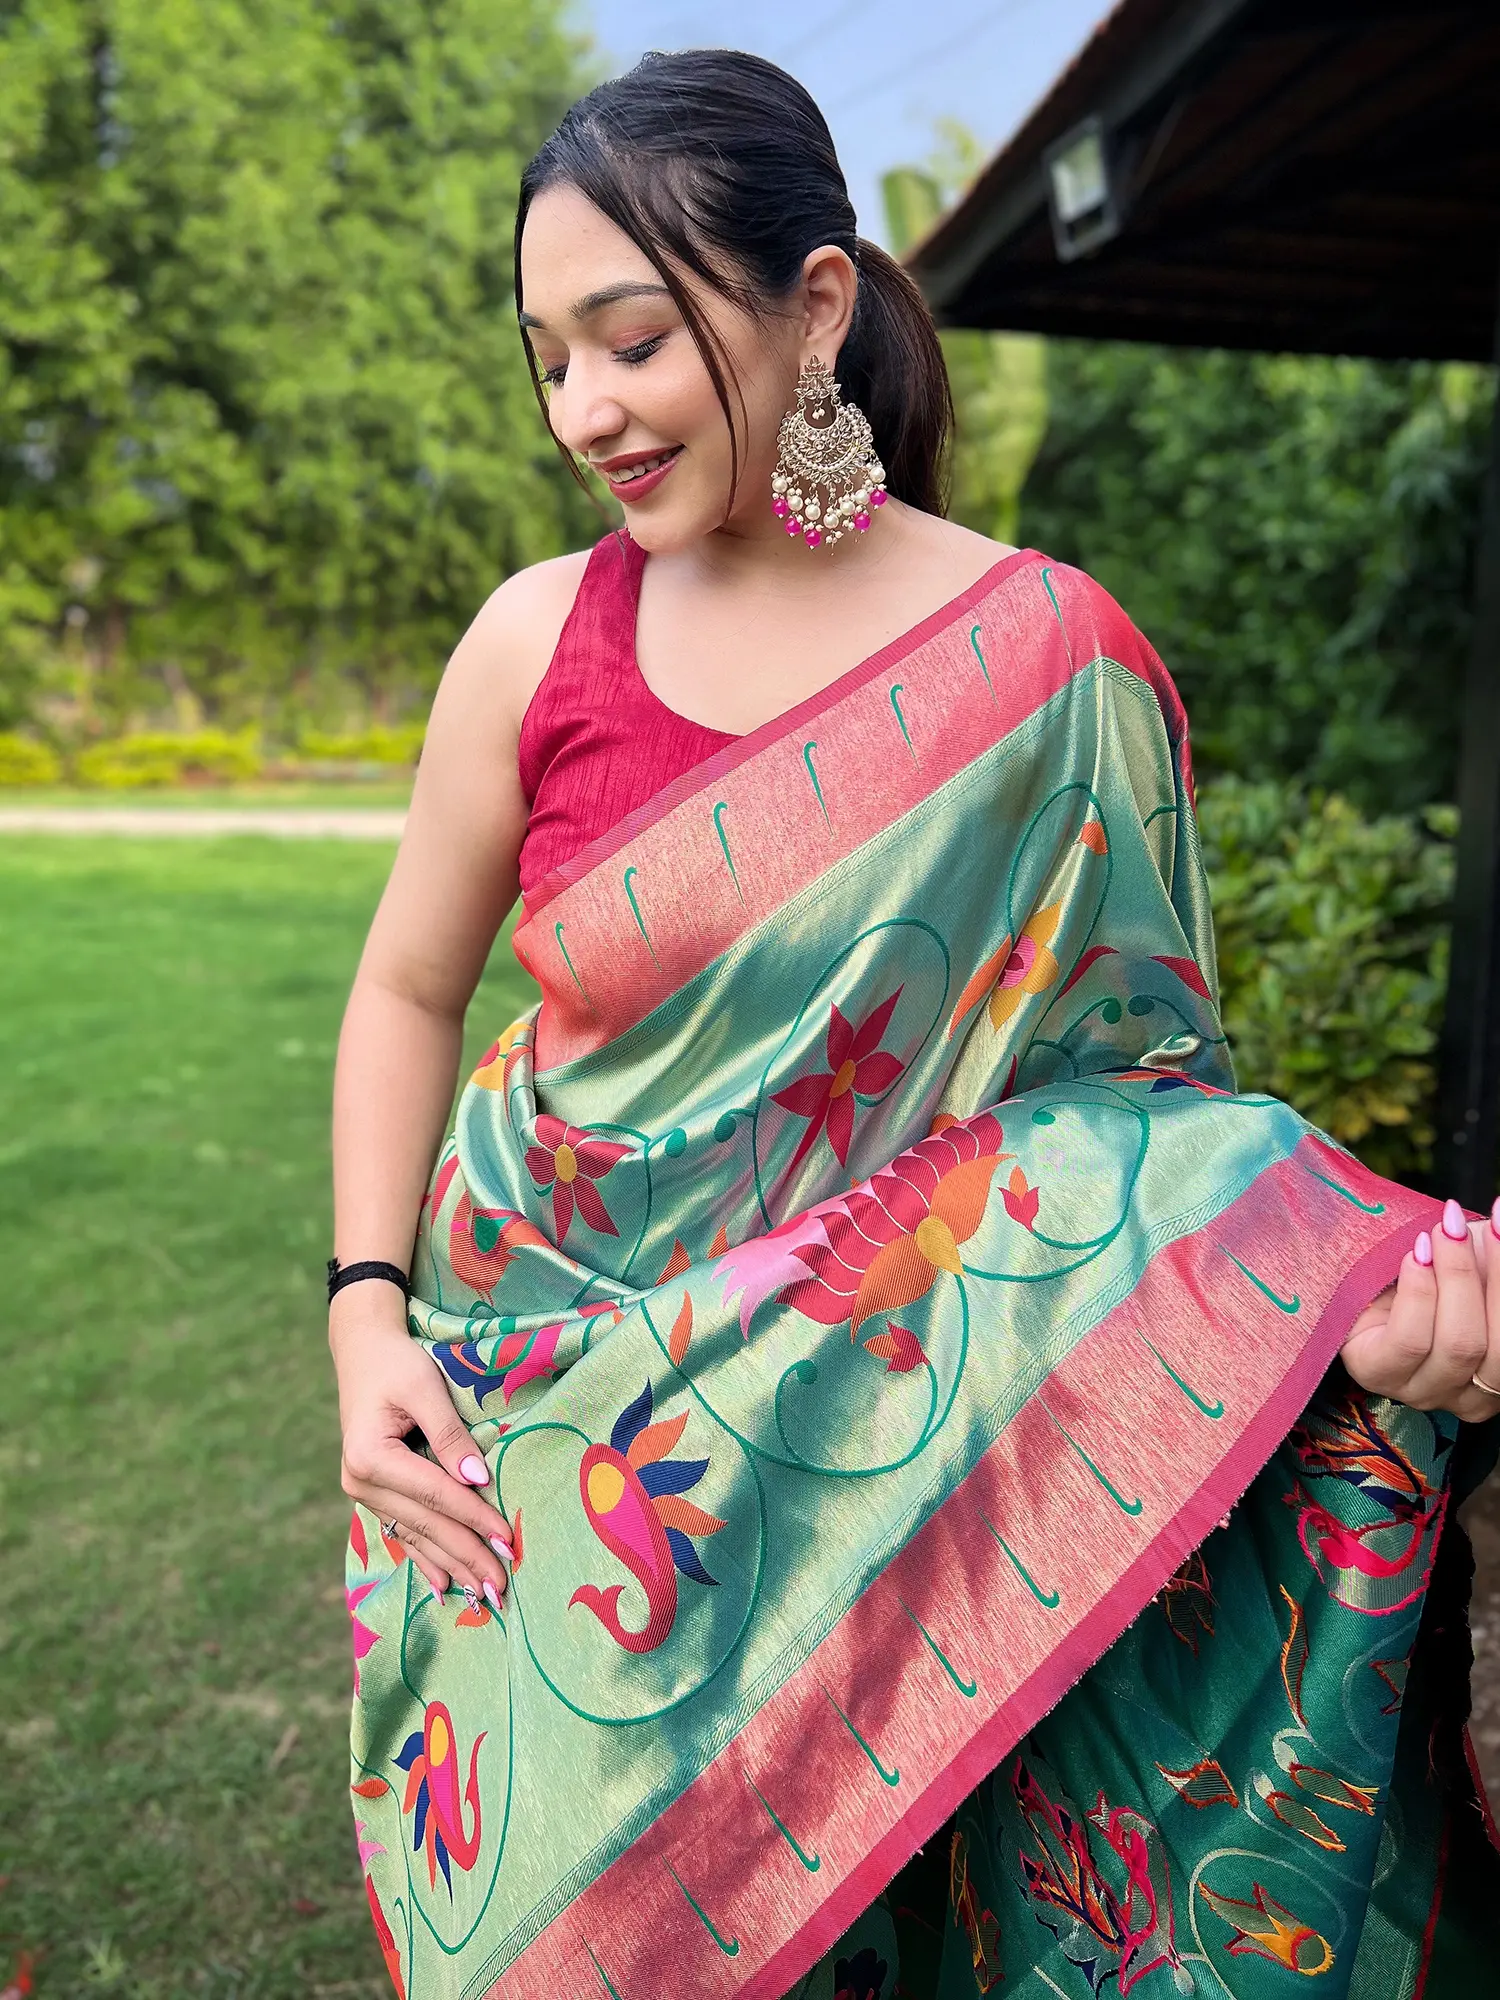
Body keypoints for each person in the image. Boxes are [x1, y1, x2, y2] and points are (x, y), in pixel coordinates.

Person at [328, 50, 1500, 2000]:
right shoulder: (535, 641)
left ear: (815, 305)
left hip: (883, 1475)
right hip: (542, 1440)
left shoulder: (1049, 664)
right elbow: (405, 987)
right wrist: (366, 1311)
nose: (583, 409)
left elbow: (1137, 1124)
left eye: (633, 339)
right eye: (547, 358)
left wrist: (1347, 1295)